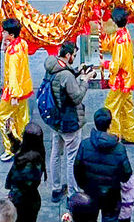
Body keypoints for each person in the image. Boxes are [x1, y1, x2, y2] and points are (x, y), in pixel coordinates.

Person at [43, 42, 89, 199]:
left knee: (55, 153)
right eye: (74, 56)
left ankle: (56, 188)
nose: (74, 58)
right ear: (68, 55)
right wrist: (85, 80)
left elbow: (62, 82)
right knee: (71, 157)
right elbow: (76, 97)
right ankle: (72, 193)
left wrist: (77, 72)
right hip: (69, 121)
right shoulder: (66, 75)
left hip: (56, 120)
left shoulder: (52, 66)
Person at [73, 107, 131, 222]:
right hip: (111, 195)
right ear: (109, 124)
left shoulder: (85, 145)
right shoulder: (119, 149)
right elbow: (126, 174)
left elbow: (77, 169)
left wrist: (84, 185)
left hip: (91, 191)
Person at [101, 7, 134, 143]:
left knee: (111, 107)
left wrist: (105, 64)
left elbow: (116, 65)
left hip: (120, 80)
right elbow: (108, 44)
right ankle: (131, 135)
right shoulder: (124, 34)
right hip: (126, 79)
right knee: (126, 107)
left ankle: (113, 136)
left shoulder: (120, 41)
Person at [0, 17, 34, 156]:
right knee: (22, 118)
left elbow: (13, 75)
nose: (2, 34)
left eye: (4, 32)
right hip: (24, 88)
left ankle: (11, 147)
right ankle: (24, 143)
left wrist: (13, 95)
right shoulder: (22, 43)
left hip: (13, 91)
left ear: (11, 35)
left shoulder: (12, 54)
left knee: (2, 117)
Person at [8, 121, 48, 222]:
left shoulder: (32, 161)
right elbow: (18, 147)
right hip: (30, 200)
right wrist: (10, 135)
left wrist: (12, 197)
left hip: (24, 202)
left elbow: (25, 184)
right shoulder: (35, 150)